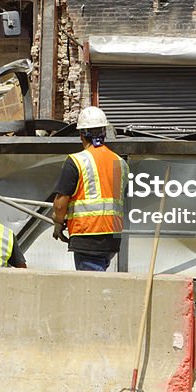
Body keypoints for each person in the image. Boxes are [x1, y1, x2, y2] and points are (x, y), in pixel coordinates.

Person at [51, 106, 128, 271]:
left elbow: (60, 203)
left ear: (81, 134)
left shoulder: (76, 161)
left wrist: (58, 222)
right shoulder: (120, 163)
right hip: (112, 238)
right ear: (104, 133)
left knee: (92, 289)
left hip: (87, 235)